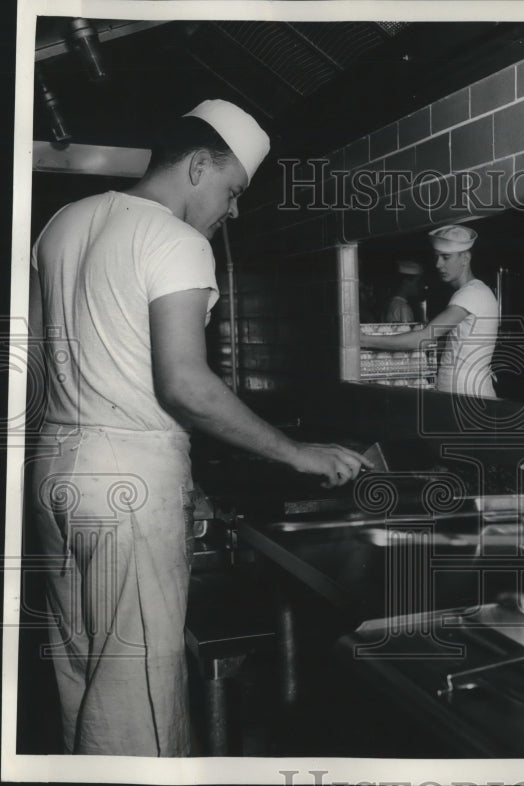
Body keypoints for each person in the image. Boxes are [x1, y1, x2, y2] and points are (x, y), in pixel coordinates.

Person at [27, 99, 371, 756]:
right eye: (232, 190)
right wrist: (294, 453)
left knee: (80, 672)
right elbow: (182, 383)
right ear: (199, 164)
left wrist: (185, 484)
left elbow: (39, 365)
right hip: (128, 487)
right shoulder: (175, 240)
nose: (232, 210)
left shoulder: (61, 225)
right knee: (139, 693)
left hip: (55, 474)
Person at [361, 224, 499, 398]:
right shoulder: (475, 292)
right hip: (464, 390)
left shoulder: (471, 294)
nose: (438, 264)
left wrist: (364, 340)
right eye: (436, 257)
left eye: (445, 257)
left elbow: (424, 338)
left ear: (465, 258)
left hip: (466, 392)